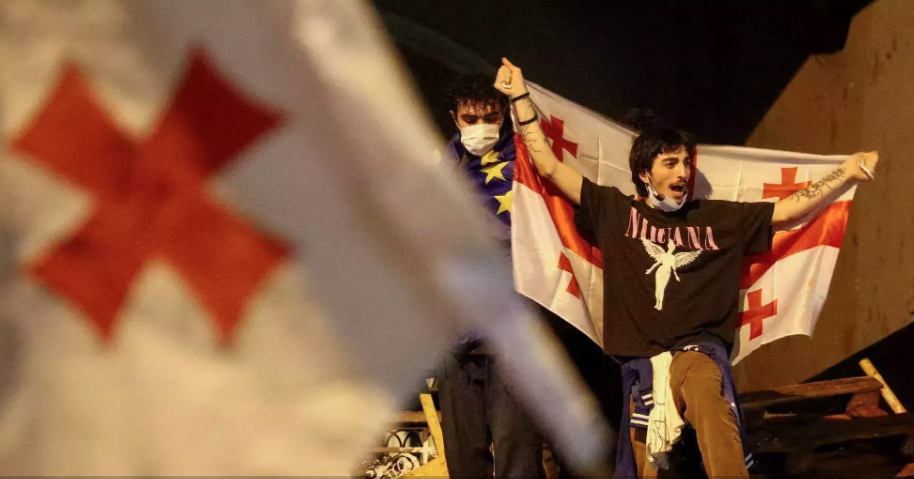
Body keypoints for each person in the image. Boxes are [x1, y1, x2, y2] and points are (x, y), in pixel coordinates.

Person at [493, 57, 879, 478]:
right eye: (670, 163)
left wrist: (845, 172)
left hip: (697, 350)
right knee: (646, 461)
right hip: (641, 362)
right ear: (645, 174)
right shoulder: (613, 210)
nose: (682, 172)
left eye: (686, 163)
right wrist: (520, 98)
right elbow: (549, 167)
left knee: (711, 405)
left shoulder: (716, 217)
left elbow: (786, 211)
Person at [436, 73, 544, 479]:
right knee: (464, 456)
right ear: (454, 117)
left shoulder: (528, 165)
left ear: (504, 115)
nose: (480, 127)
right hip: (455, 328)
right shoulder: (438, 171)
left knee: (518, 454)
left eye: (491, 117)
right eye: (470, 118)